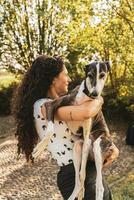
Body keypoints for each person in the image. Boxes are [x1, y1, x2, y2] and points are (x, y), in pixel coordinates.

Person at [12, 55, 114, 200]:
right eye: (65, 74)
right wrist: (99, 97)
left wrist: (111, 149)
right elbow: (87, 111)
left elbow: (92, 128)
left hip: (85, 171)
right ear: (53, 79)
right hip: (74, 174)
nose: (69, 79)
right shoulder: (43, 106)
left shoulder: (60, 104)